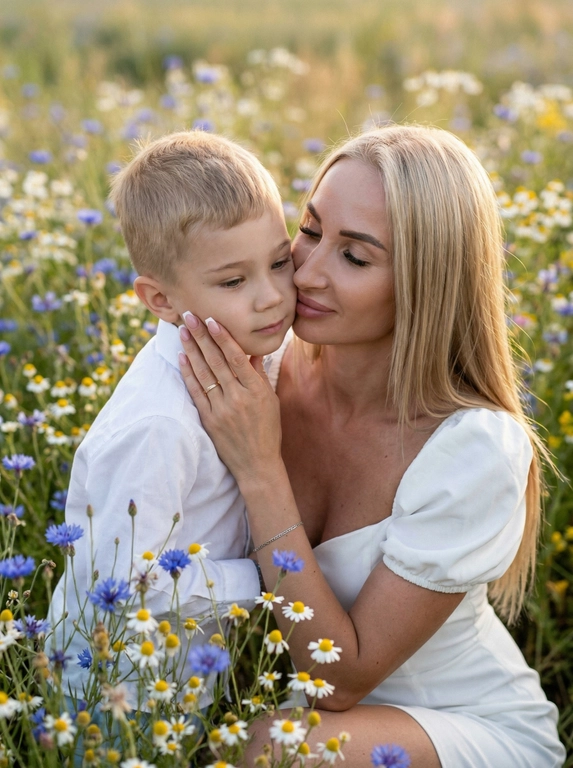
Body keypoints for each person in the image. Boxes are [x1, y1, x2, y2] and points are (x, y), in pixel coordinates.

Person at [177, 125, 566, 767]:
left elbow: (339, 682)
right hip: (307, 711)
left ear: (426, 282)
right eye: (309, 230)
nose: (306, 272)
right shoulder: (264, 365)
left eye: (354, 257)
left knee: (273, 749)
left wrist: (260, 469)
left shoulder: (473, 449)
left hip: (458, 724)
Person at [49, 130, 296, 704]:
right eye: (234, 281)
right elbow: (123, 585)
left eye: (280, 262)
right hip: (117, 693)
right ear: (160, 300)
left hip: (190, 676)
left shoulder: (254, 348)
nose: (271, 296)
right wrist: (262, 576)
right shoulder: (158, 424)